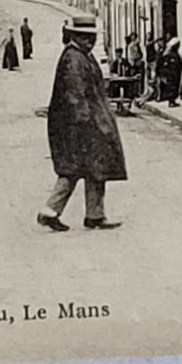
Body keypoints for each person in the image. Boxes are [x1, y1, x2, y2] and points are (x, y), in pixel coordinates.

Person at [37, 17, 126, 232]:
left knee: (96, 168)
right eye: (85, 37)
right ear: (75, 36)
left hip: (86, 124)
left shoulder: (82, 56)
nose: (90, 41)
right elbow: (75, 96)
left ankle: (95, 215)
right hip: (76, 127)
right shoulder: (73, 59)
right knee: (73, 170)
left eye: (92, 37)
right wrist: (89, 124)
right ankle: (49, 211)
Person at [157, 36, 182, 106]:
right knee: (173, 87)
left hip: (172, 73)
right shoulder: (172, 55)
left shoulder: (170, 54)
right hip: (172, 73)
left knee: (173, 86)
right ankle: (171, 101)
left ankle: (172, 100)